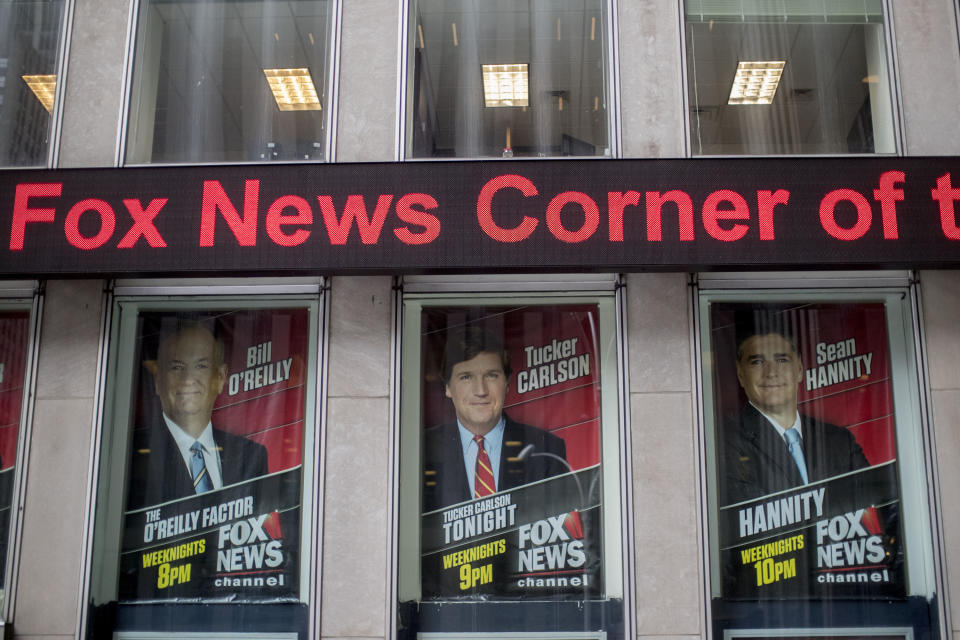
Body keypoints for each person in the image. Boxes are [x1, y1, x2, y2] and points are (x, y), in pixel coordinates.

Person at [719, 316, 869, 505]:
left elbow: (877, 503)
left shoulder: (840, 440)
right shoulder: (725, 444)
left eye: (781, 359)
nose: (771, 372)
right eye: (757, 362)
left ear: (799, 368)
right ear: (740, 374)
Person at [422, 326, 568, 512]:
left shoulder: (548, 449)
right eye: (466, 377)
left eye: (491, 376)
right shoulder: (422, 451)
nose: (481, 391)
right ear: (448, 388)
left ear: (507, 383)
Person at [126, 322, 268, 509]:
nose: (188, 379)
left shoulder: (251, 456)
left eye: (201, 366)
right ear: (157, 380)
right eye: (176, 367)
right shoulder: (133, 454)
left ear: (220, 377)